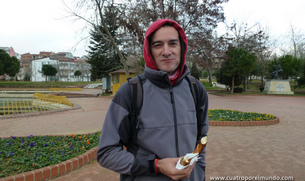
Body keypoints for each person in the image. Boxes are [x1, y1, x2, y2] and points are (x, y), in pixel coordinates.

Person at [97, 19, 209, 181]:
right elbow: (106, 152)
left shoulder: (196, 89)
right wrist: (156, 165)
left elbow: (201, 138)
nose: (166, 51)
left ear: (181, 48)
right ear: (149, 51)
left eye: (172, 43)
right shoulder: (131, 92)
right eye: (158, 45)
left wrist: (199, 170)